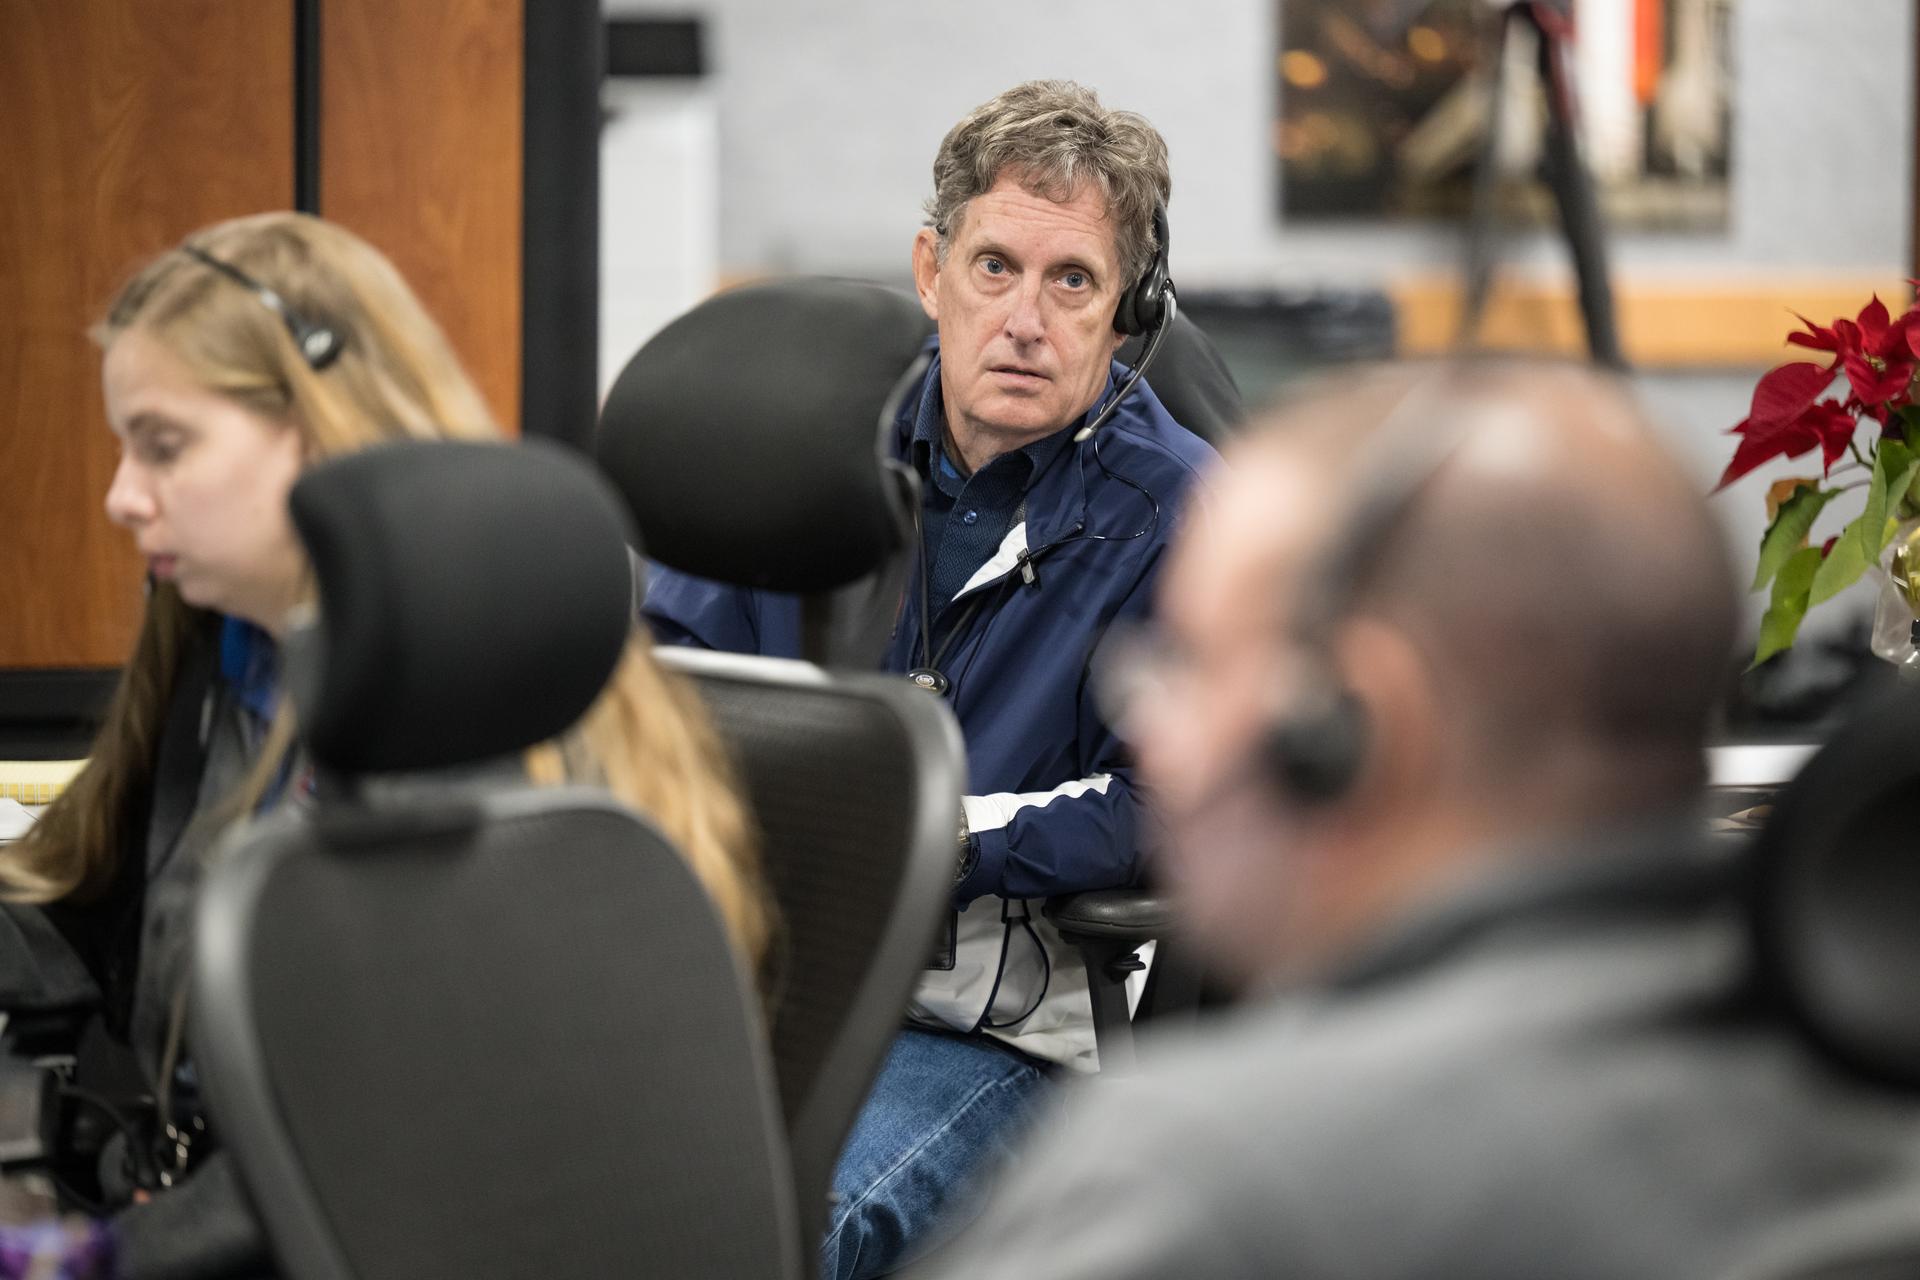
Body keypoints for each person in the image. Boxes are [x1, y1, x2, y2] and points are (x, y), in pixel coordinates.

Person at [916, 359, 1920, 1279]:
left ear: (1348, 725)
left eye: (1189, 661)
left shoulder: (1202, 1184)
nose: (1153, 723)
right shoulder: (1869, 1113)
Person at [0, 212, 772, 1276]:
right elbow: (102, 900)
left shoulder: (460, 714)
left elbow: (366, 1145)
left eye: (164, 445)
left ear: (319, 428)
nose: (122, 495)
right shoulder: (230, 642)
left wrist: (93, 1257)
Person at [641, 80, 1219, 1278]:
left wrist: (935, 838)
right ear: (929, 268)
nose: (1025, 319)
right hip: (758, 990)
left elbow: (1174, 802)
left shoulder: (1184, 515)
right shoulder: (807, 447)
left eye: (1073, 282)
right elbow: (663, 695)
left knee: (801, 1224)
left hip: (993, 1028)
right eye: (995, 265)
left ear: (1129, 310)